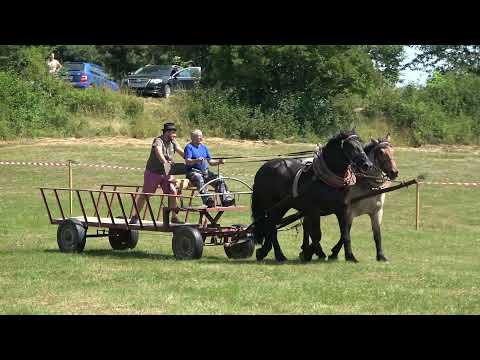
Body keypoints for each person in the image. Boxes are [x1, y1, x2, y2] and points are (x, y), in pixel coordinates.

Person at [131, 122, 185, 224]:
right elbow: (159, 152)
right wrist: (166, 163)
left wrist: (192, 159)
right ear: (167, 132)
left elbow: (182, 152)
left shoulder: (174, 142)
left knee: (173, 192)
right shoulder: (158, 141)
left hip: (167, 172)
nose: (175, 135)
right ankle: (135, 216)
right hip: (153, 172)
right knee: (146, 194)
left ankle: (174, 217)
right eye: (173, 133)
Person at [184, 129, 233, 207]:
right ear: (193, 138)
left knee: (219, 178)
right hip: (193, 173)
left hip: (206, 172)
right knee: (198, 177)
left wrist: (219, 162)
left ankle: (226, 199)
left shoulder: (204, 147)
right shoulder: (189, 147)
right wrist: (196, 160)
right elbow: (187, 161)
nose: (201, 138)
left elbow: (210, 162)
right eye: (199, 137)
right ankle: (207, 200)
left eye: (201, 136)